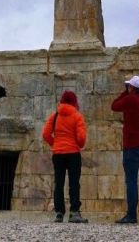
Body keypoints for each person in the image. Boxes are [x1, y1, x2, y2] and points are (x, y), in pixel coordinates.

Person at [111, 75, 139, 225]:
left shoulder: (130, 99)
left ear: (132, 88)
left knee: (131, 181)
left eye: (129, 86)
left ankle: (131, 216)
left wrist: (125, 92)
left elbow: (114, 106)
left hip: (132, 147)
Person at [42, 90, 88, 224]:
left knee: (59, 183)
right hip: (73, 153)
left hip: (58, 154)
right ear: (74, 101)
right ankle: (74, 213)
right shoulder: (77, 116)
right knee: (74, 183)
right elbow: (81, 138)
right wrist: (78, 144)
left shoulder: (55, 115)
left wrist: (55, 144)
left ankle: (59, 213)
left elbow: (45, 134)